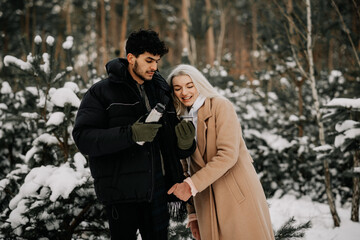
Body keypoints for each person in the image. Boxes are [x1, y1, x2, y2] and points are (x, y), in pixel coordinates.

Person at [72, 30, 196, 240]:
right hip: (121, 193)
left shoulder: (160, 91)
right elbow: (84, 138)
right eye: (149, 60)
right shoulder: (101, 92)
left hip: (158, 191)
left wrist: (185, 144)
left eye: (156, 61)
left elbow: (170, 145)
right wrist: (130, 134)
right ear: (131, 58)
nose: (154, 67)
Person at [166, 64, 275, 240]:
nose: (184, 92)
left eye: (189, 85)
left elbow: (228, 155)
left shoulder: (221, 106)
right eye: (177, 88)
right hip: (205, 199)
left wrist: (191, 185)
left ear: (199, 84)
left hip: (234, 195)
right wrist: (193, 214)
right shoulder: (179, 118)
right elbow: (184, 167)